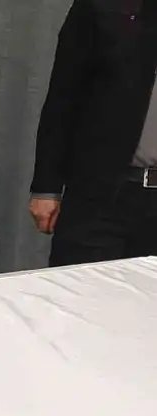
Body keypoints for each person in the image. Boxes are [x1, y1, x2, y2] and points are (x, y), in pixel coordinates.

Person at [29, 0, 157, 266]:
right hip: (100, 194)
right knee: (79, 288)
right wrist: (46, 187)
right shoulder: (102, 7)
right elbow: (63, 97)